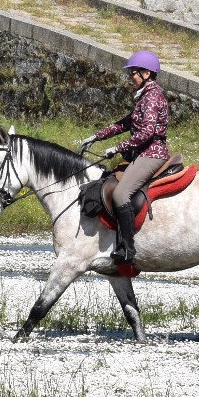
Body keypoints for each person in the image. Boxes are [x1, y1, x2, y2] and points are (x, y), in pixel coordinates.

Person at [79, 50, 170, 269]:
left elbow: (147, 132)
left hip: (152, 154)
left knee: (120, 193)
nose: (130, 78)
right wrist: (97, 136)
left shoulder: (152, 97)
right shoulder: (144, 96)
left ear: (146, 73)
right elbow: (125, 123)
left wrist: (118, 147)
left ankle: (128, 247)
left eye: (133, 73)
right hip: (142, 153)